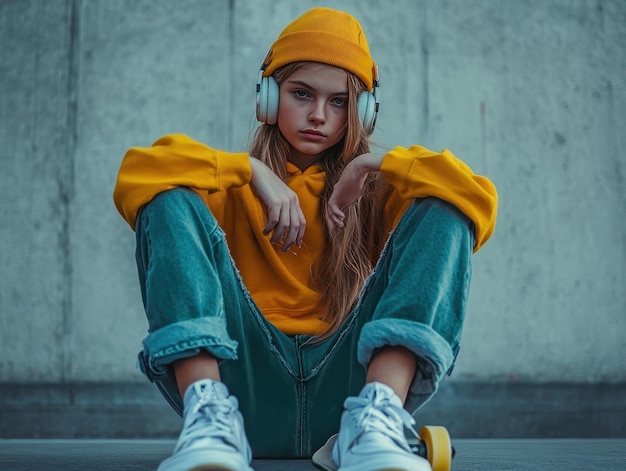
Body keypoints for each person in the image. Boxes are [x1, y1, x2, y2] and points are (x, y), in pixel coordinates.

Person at [113, 7, 497, 471]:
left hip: (346, 400)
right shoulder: (233, 186)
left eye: (338, 102)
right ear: (268, 99)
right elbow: (138, 174)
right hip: (242, 388)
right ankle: (209, 418)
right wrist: (250, 170)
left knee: (444, 207)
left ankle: (378, 415)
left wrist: (370, 165)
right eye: (301, 93)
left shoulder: (373, 193)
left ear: (363, 112)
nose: (318, 115)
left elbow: (474, 198)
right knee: (166, 197)